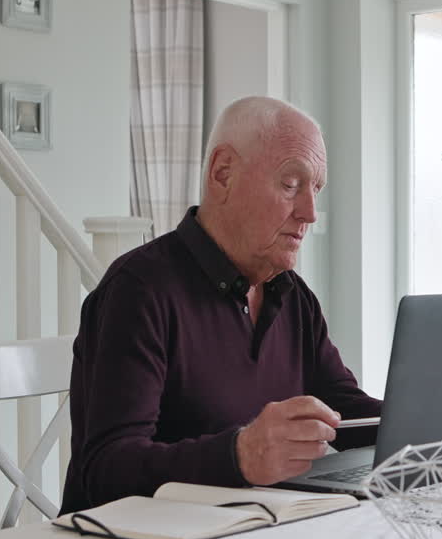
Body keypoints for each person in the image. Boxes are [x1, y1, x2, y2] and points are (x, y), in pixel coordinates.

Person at [61, 97, 380, 514]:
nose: (309, 213)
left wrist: (438, 420)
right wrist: (239, 456)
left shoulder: (293, 296)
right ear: (222, 172)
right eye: (290, 184)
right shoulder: (138, 289)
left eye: (315, 190)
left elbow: (344, 416)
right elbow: (106, 472)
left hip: (249, 536)